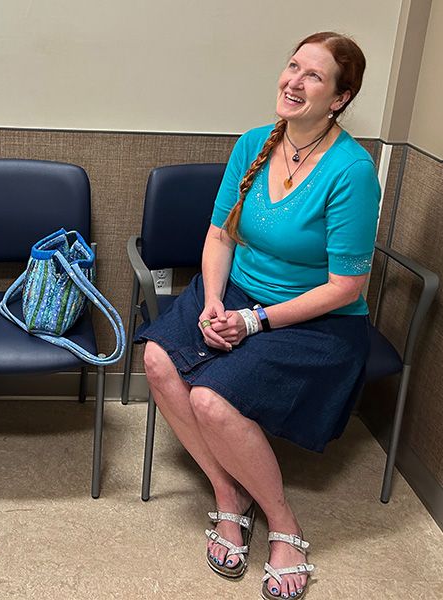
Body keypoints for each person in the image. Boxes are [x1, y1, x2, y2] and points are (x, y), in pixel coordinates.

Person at [138, 32, 378, 600]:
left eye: (313, 77)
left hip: (315, 319)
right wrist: (217, 299)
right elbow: (220, 233)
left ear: (340, 98)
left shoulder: (352, 170)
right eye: (292, 66)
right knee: (156, 359)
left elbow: (348, 287)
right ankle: (229, 496)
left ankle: (284, 521)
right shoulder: (254, 144)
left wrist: (255, 322)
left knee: (211, 401)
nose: (293, 82)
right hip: (236, 291)